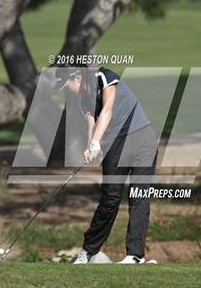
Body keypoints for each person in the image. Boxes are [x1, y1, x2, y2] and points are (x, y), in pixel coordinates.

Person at [53, 66, 157, 264]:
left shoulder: (104, 76)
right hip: (115, 144)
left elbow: (107, 110)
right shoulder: (83, 100)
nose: (67, 90)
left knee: (139, 197)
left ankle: (135, 255)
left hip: (142, 137)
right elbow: (92, 122)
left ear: (76, 77)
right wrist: (91, 146)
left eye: (66, 85)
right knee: (110, 198)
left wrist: (96, 142)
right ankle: (87, 251)